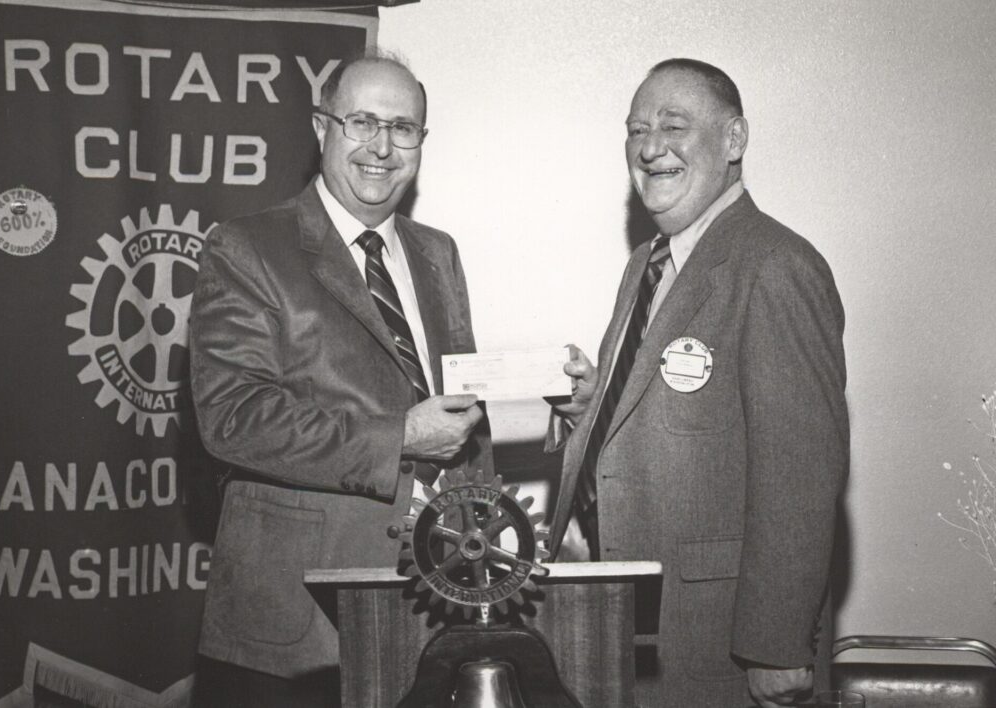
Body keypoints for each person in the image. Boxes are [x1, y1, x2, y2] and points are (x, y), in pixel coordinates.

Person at [189, 53, 491, 707]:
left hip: (434, 613)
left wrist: (552, 407)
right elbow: (232, 419)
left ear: (421, 141)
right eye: (362, 122)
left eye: (403, 128)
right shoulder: (245, 246)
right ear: (321, 128)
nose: (382, 147)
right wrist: (400, 438)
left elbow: (459, 408)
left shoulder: (437, 252)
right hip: (293, 634)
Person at [548, 58, 849, 708]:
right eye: (635, 129)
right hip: (627, 630)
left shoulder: (776, 266)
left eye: (673, 126)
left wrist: (777, 648)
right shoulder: (647, 264)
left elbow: (799, 478)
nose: (650, 146)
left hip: (718, 646)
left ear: (734, 140)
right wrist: (595, 405)